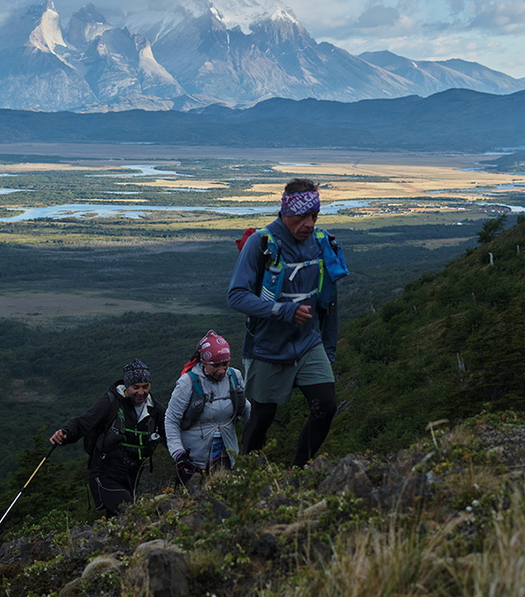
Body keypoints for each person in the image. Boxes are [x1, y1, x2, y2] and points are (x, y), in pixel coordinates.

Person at [227, 178, 344, 466]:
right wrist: (284, 311)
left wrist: (328, 350)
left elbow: (328, 302)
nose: (309, 223)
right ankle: (247, 475)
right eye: (303, 216)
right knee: (262, 418)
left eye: (314, 216)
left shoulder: (321, 244)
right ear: (285, 212)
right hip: (267, 346)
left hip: (308, 343)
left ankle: (298, 471)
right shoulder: (261, 243)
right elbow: (236, 296)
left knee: (325, 406)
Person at [49, 358, 165, 517]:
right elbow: (83, 422)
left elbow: (169, 434)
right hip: (105, 473)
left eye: (146, 387)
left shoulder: (155, 409)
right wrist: (65, 432)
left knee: (119, 519)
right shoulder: (110, 403)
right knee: (131, 513)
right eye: (135, 387)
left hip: (132, 476)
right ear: (127, 386)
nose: (141, 392)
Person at [165, 330, 251, 486]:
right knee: (195, 499)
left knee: (226, 493)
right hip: (193, 458)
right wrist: (178, 454)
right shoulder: (187, 383)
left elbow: (244, 406)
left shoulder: (234, 376)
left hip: (227, 451)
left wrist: (257, 428)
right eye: (215, 365)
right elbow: (171, 420)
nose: (221, 370)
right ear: (204, 362)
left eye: (225, 364)